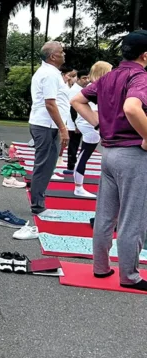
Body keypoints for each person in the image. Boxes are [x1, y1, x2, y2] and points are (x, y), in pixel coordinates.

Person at [70, 30, 147, 291]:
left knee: (105, 214)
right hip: (132, 154)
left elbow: (77, 100)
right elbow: (132, 107)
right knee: (133, 217)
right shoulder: (140, 77)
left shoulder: (109, 76)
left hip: (109, 153)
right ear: (145, 55)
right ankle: (130, 275)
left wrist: (98, 124)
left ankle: (101, 266)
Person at [28, 41, 70, 217]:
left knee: (46, 166)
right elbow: (50, 104)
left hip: (46, 125)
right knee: (44, 166)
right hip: (47, 126)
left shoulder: (50, 73)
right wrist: (63, 128)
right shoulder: (50, 74)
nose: (64, 54)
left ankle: (38, 202)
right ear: (53, 56)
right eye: (61, 51)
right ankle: (38, 206)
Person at [69, 62, 112, 198]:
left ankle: (79, 186)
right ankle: (78, 187)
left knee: (84, 155)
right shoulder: (95, 88)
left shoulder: (95, 87)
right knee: (84, 155)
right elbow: (93, 110)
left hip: (90, 125)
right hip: (91, 126)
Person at [67, 68, 90, 171]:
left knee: (83, 142)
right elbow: (73, 109)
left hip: (84, 120)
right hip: (75, 122)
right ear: (78, 79)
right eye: (84, 78)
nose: (86, 80)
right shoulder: (74, 90)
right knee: (74, 144)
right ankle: (71, 165)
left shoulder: (85, 89)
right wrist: (76, 124)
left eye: (88, 78)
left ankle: (78, 163)